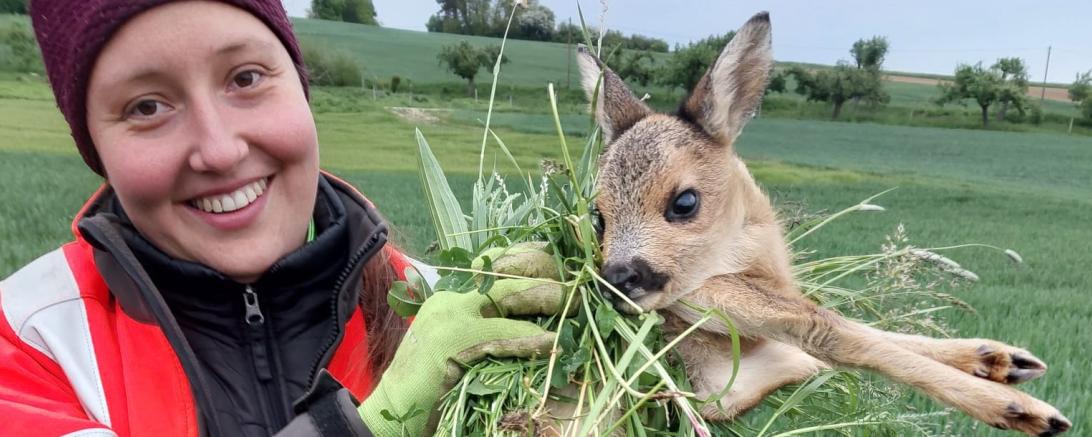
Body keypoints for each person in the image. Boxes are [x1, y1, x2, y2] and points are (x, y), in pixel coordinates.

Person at [0, 1, 564, 436]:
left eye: (245, 78)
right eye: (146, 107)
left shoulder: (438, 307)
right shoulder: (29, 345)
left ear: (300, 86)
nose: (218, 151)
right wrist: (375, 426)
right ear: (95, 148)